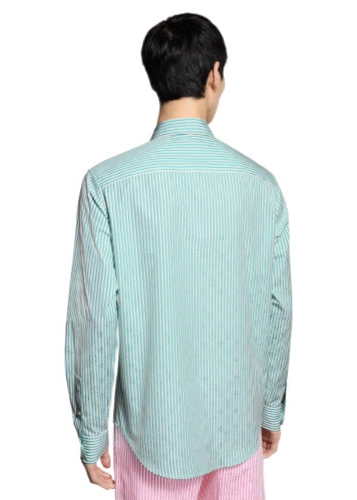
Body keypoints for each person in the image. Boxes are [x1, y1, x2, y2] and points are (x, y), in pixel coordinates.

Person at [65, 12, 293, 499]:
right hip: (237, 431)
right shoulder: (261, 186)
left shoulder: (107, 184)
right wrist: (270, 410)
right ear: (214, 75)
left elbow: (94, 319)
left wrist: (91, 432)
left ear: (155, 77)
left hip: (149, 436)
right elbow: (277, 308)